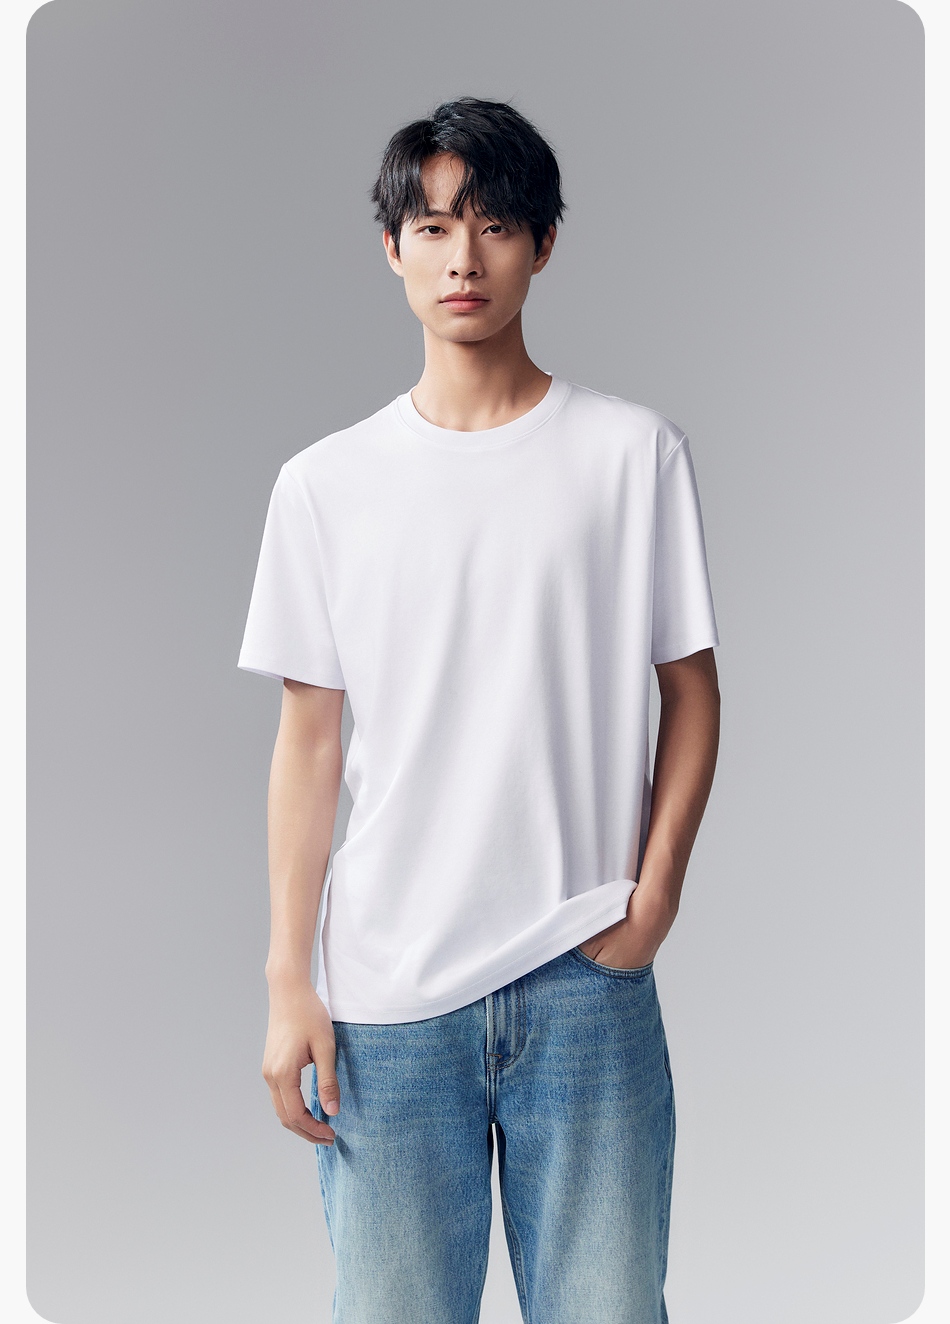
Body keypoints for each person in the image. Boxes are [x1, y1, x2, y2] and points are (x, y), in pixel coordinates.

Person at [238, 95, 721, 1324]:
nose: (463, 257)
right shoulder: (323, 486)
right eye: (434, 225)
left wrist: (654, 895)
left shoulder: (630, 455)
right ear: (391, 246)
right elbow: (308, 746)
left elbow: (689, 690)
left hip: (583, 976)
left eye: (496, 224)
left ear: (543, 244)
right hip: (387, 998)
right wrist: (289, 981)